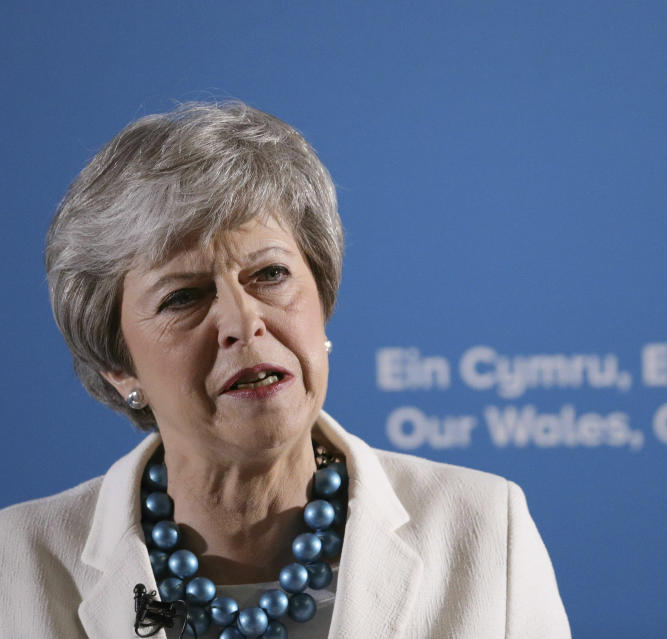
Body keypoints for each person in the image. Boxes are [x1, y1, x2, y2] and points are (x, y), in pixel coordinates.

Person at [0, 101, 569, 638]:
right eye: (183, 297)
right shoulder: (15, 562)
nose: (243, 322)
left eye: (269, 275)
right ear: (119, 368)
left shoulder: (485, 528)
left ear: (320, 300)